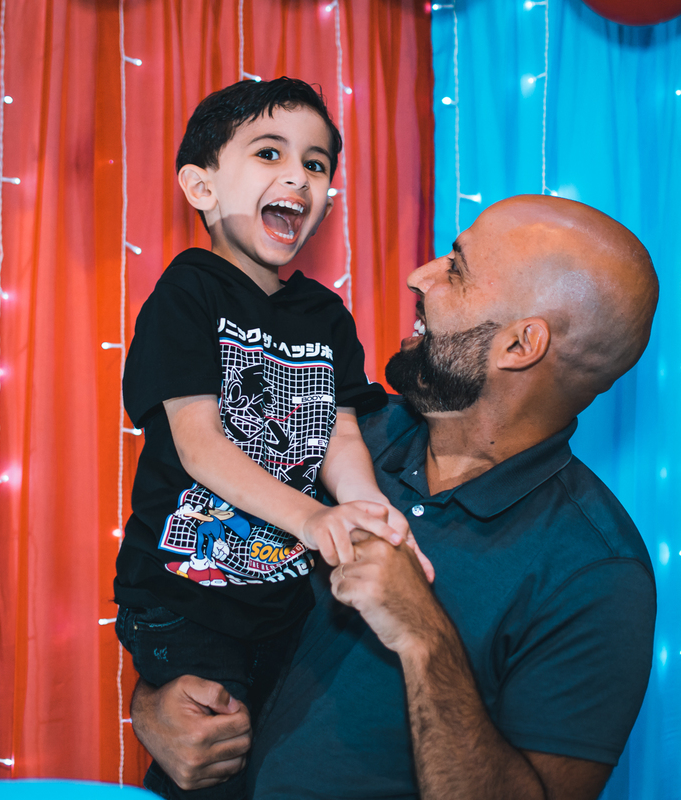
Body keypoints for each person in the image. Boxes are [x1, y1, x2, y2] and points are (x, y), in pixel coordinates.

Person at [129, 195, 662, 800]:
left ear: (521, 346)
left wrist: (424, 637)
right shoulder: (329, 431)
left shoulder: (597, 572)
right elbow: (189, 581)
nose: (419, 276)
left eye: (455, 268)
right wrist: (154, 704)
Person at [115, 77, 431, 800]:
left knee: (285, 755)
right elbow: (198, 445)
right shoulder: (187, 293)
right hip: (186, 594)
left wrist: (364, 508)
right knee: (213, 760)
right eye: (268, 153)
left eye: (317, 165)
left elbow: (339, 428)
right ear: (200, 187)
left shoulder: (323, 314)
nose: (298, 175)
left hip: (280, 594)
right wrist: (313, 516)